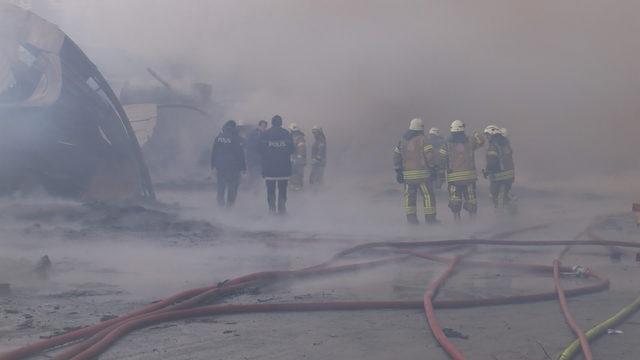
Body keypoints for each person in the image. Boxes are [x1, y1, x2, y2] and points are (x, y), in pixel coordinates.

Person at [393, 118, 438, 224]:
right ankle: (430, 220)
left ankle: (411, 220)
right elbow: (430, 155)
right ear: (421, 128)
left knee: (409, 197)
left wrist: (398, 170)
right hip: (423, 175)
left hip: (408, 176)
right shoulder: (423, 139)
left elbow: (396, 156)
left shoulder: (402, 140)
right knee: (428, 196)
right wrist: (433, 168)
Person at [440, 120, 485, 221]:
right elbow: (481, 142)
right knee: (471, 198)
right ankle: (473, 220)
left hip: (454, 179)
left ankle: (457, 220)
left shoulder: (447, 143)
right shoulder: (470, 140)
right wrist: (477, 134)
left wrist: (441, 174)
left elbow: (441, 158)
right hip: (469, 177)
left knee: (455, 199)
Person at [260, 115, 294, 214]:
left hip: (269, 169)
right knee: (282, 190)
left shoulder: (265, 134)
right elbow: (292, 150)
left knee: (270, 190)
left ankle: (271, 210)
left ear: (272, 122)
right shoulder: (286, 134)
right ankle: (282, 210)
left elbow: (259, 149)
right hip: (283, 169)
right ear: (281, 123)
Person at [210, 120, 246, 208]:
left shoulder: (219, 137)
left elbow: (214, 152)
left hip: (220, 166)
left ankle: (220, 206)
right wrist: (243, 167)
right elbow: (240, 153)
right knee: (232, 187)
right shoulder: (236, 138)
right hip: (233, 167)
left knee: (221, 186)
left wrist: (213, 165)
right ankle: (229, 207)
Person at [484, 125, 515, 211]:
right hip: (509, 175)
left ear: (493, 134)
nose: (487, 137)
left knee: (494, 195)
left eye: (488, 135)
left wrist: (487, 171)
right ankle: (511, 209)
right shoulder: (505, 143)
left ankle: (500, 216)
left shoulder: (493, 145)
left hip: (498, 175)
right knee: (504, 194)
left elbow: (492, 161)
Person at [245, 120, 268, 187]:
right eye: (262, 126)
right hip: (253, 159)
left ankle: (257, 191)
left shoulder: (266, 134)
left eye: (265, 126)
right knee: (254, 176)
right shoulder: (253, 134)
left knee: (260, 177)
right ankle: (254, 191)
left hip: (262, 160)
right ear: (259, 126)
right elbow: (249, 145)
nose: (263, 128)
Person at [289, 123, 307, 191]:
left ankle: (298, 191)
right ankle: (295, 189)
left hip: (298, 161)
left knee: (298, 176)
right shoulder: (296, 137)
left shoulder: (299, 138)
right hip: (296, 161)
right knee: (295, 176)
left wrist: (297, 158)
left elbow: (301, 148)